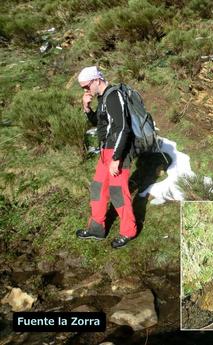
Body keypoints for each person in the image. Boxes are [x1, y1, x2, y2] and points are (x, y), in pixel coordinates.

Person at [75, 66, 137, 249]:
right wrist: (87, 108)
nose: (85, 90)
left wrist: (117, 158)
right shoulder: (103, 98)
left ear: (96, 80)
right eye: (82, 88)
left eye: (86, 86)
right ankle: (97, 228)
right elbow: (101, 126)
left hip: (118, 152)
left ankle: (129, 231)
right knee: (98, 189)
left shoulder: (114, 96)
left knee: (118, 193)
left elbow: (123, 128)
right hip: (105, 152)